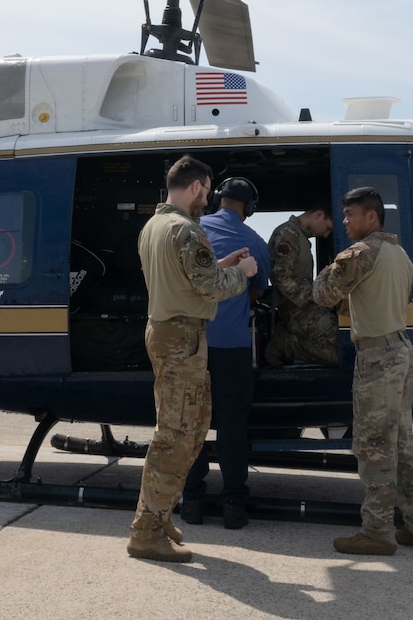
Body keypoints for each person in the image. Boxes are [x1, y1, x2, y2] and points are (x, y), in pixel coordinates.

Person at [127, 154, 256, 563]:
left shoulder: (156, 226)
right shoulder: (187, 230)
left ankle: (158, 514)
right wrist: (244, 273)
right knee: (177, 435)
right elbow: (211, 288)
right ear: (197, 186)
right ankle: (146, 531)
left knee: (191, 430)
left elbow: (188, 277)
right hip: (182, 338)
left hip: (170, 333)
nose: (208, 199)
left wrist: (220, 263)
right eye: (207, 191)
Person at [311, 185, 413, 555]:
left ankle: (377, 531)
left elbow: (323, 295)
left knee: (374, 446)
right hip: (400, 349)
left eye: (351, 215)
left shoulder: (361, 253)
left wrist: (326, 268)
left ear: (372, 217)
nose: (345, 222)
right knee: (401, 442)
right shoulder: (399, 253)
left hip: (377, 355)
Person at [179, 175, 271, 530]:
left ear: (216, 198)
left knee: (194, 425)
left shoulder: (193, 232)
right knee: (232, 425)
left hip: (194, 346)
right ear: (249, 209)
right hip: (232, 347)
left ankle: (192, 502)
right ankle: (234, 503)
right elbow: (259, 291)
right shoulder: (254, 242)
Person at [265, 203, 338, 366]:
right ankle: (284, 344)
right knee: (341, 347)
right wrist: (317, 297)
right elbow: (280, 277)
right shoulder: (288, 235)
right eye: (327, 228)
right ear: (319, 215)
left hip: (303, 307)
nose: (326, 235)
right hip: (295, 309)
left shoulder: (299, 237)